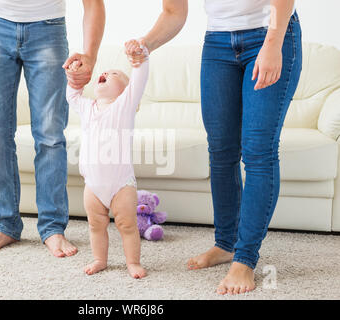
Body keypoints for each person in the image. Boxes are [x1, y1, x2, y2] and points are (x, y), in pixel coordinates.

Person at [128, 0, 302, 294]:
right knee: (221, 151)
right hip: (218, 42)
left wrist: (273, 45)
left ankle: (245, 259)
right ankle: (225, 244)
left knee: (258, 151)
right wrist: (146, 43)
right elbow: (173, 12)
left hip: (269, 33)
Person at [0, 0, 105, 257]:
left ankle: (53, 228)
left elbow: (93, 3)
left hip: (48, 28)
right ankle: (5, 225)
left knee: (50, 137)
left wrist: (90, 54)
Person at [66, 40, 150, 279]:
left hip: (121, 184)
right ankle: (99, 259)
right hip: (92, 184)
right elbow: (72, 96)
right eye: (104, 73)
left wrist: (140, 58)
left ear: (124, 91)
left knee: (127, 225)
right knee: (95, 225)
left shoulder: (123, 106)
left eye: (113, 74)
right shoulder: (87, 107)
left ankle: (133, 262)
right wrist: (74, 74)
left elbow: (139, 81)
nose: (105, 73)